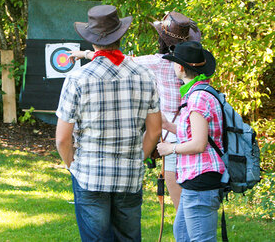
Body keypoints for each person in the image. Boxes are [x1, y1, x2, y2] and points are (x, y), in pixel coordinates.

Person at [69, 11, 201, 210]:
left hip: (175, 141)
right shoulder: (198, 63)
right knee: (194, 206)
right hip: (197, 137)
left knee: (183, 210)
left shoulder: (160, 62)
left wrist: (85, 54)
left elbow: (117, 60)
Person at [55, 5, 162, 241]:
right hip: (129, 175)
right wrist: (136, 158)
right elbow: (154, 132)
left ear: (92, 41)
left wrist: (74, 167)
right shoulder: (145, 75)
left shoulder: (77, 78)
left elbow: (62, 139)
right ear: (120, 36)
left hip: (90, 175)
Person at [157, 41, 225, 241]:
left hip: (201, 179)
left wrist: (171, 148)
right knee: (183, 234)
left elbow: (198, 144)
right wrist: (169, 126)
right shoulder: (201, 92)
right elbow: (197, 133)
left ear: (179, 67)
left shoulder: (197, 98)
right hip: (193, 179)